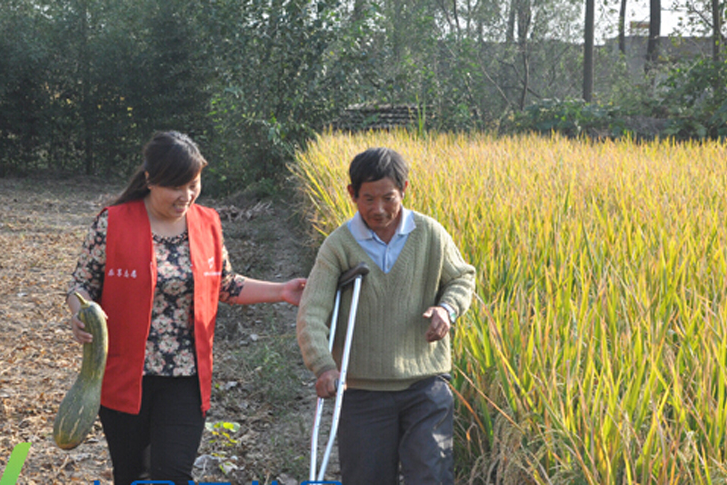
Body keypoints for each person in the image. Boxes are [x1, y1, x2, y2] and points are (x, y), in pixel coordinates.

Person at [65, 130, 306, 485]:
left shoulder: (207, 223)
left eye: (193, 184)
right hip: (125, 376)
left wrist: (282, 291)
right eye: (176, 187)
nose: (186, 196)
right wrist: (78, 312)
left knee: (174, 475)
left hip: (186, 378)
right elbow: (82, 285)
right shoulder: (112, 222)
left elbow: (225, 283)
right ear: (149, 179)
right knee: (132, 476)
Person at [296, 147, 476, 484]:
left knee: (431, 474)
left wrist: (447, 308)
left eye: (389, 198)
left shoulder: (430, 233)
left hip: (426, 384)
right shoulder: (339, 245)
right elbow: (312, 311)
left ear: (404, 189)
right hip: (362, 389)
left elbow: (462, 277)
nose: (379, 210)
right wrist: (323, 365)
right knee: (367, 478)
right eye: (368, 199)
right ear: (352, 194)